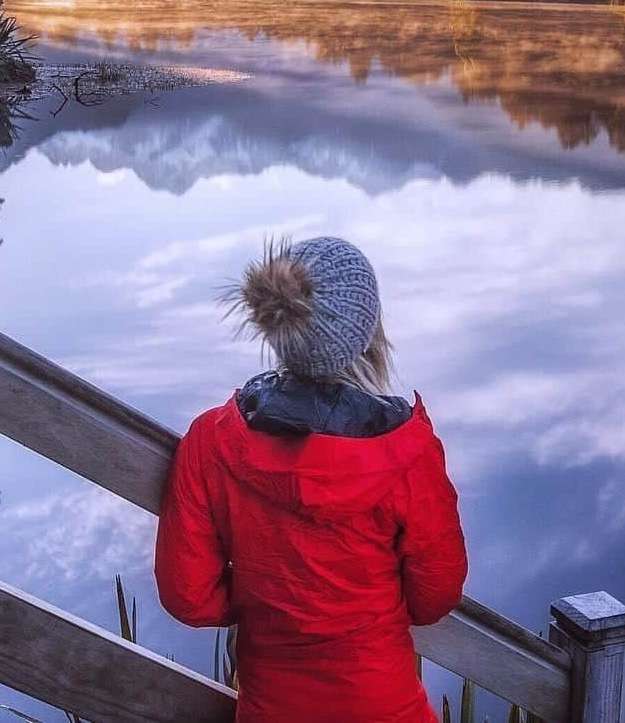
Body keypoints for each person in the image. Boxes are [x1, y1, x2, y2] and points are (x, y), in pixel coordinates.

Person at [155, 236, 468, 723]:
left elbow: (189, 596)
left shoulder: (210, 443)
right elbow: (435, 595)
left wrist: (266, 603)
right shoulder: (410, 454)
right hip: (386, 706)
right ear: (368, 334)